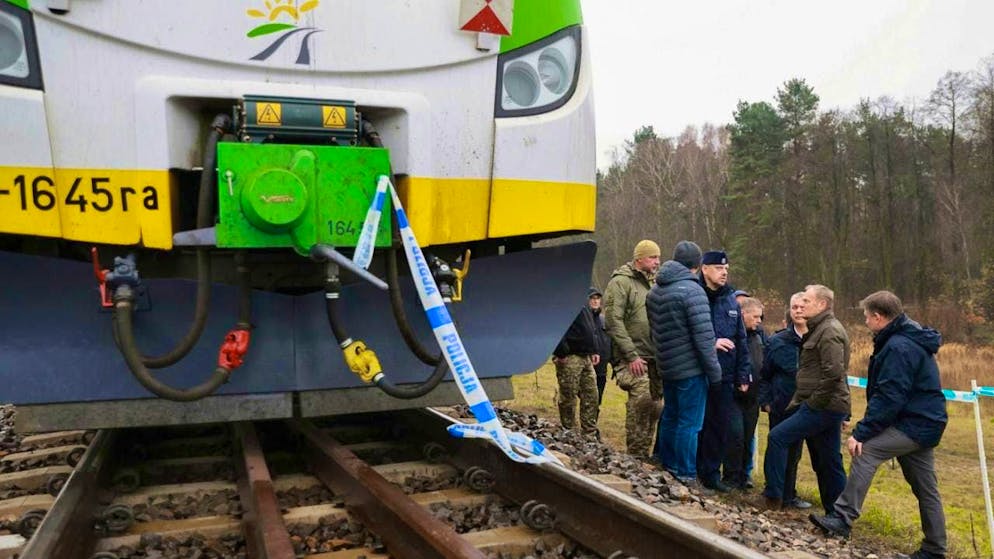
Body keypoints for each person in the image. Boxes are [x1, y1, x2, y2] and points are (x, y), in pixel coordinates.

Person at [810, 291, 948, 559]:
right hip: (924, 421)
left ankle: (842, 519)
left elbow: (890, 395)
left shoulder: (898, 346)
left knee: (866, 450)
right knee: (926, 488)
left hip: (914, 423)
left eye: (865, 316)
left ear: (878, 316)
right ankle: (935, 548)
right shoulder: (906, 338)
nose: (865, 322)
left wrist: (862, 432)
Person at [763, 284, 850, 512]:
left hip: (823, 405)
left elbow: (834, 373)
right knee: (827, 460)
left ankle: (774, 498)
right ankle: (837, 513)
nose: (802, 306)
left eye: (808, 301)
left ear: (821, 305)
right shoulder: (819, 328)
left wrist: (812, 403)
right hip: (825, 404)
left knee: (778, 437)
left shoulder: (829, 331)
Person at [646, 241, 722, 487]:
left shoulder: (655, 291)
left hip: (667, 365)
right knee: (690, 423)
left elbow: (654, 331)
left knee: (670, 416)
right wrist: (715, 372)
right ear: (698, 265)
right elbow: (704, 337)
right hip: (690, 368)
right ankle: (686, 473)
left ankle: (665, 462)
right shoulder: (693, 291)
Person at [697, 250, 751, 492]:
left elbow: (741, 339)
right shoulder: (695, 294)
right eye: (719, 268)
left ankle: (711, 474)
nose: (724, 272)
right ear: (704, 268)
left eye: (726, 268)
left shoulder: (730, 299)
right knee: (698, 424)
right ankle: (691, 469)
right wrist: (711, 343)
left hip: (726, 374)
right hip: (699, 371)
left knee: (719, 426)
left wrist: (743, 374)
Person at [604, 239, 662, 457]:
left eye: (658, 257)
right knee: (642, 400)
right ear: (639, 259)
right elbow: (613, 321)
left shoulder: (655, 284)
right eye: (652, 257)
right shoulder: (620, 283)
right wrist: (631, 355)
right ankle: (635, 454)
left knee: (655, 407)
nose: (657, 262)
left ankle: (645, 454)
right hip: (632, 357)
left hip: (654, 357)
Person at [757, 293, 812, 509]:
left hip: (809, 405)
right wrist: (766, 400)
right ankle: (773, 494)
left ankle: (789, 494)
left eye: (802, 307)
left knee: (795, 453)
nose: (798, 310)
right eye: (794, 307)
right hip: (781, 403)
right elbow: (765, 374)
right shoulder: (777, 341)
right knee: (778, 447)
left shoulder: (820, 339)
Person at [723, 296, 764, 490]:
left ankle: (743, 476)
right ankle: (730, 476)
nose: (759, 321)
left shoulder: (758, 337)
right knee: (735, 436)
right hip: (733, 395)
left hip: (753, 397)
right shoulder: (732, 336)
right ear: (743, 314)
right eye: (755, 317)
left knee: (748, 437)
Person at [551, 293, 601, 436]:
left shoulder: (582, 298)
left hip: (586, 356)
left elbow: (591, 327)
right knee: (568, 395)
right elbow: (555, 325)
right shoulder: (561, 298)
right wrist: (561, 352)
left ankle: (589, 432)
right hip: (570, 356)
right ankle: (569, 432)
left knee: (591, 395)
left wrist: (594, 349)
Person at [588, 287, 612, 407]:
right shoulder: (580, 318)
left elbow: (610, 341)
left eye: (597, 298)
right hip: (584, 366)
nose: (595, 301)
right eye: (592, 298)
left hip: (601, 369)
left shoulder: (604, 320)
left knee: (597, 399)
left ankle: (592, 423)